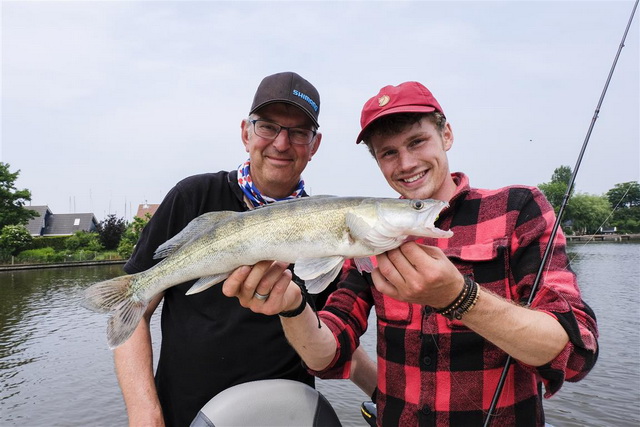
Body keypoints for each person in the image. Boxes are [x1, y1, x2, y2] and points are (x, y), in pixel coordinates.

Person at [223, 81, 599, 426]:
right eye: (388, 153)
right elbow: (329, 356)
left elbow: (577, 352)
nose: (405, 163)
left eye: (417, 142)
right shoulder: (369, 239)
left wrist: (459, 298)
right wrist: (292, 307)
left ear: (446, 135)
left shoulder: (517, 209)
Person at [115, 71, 376, 427]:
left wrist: (388, 397)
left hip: (287, 416)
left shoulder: (327, 233)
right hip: (185, 416)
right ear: (246, 133)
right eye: (268, 126)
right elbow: (131, 309)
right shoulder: (193, 197)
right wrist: (145, 413)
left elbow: (334, 340)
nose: (281, 144)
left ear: (314, 145)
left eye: (299, 132)